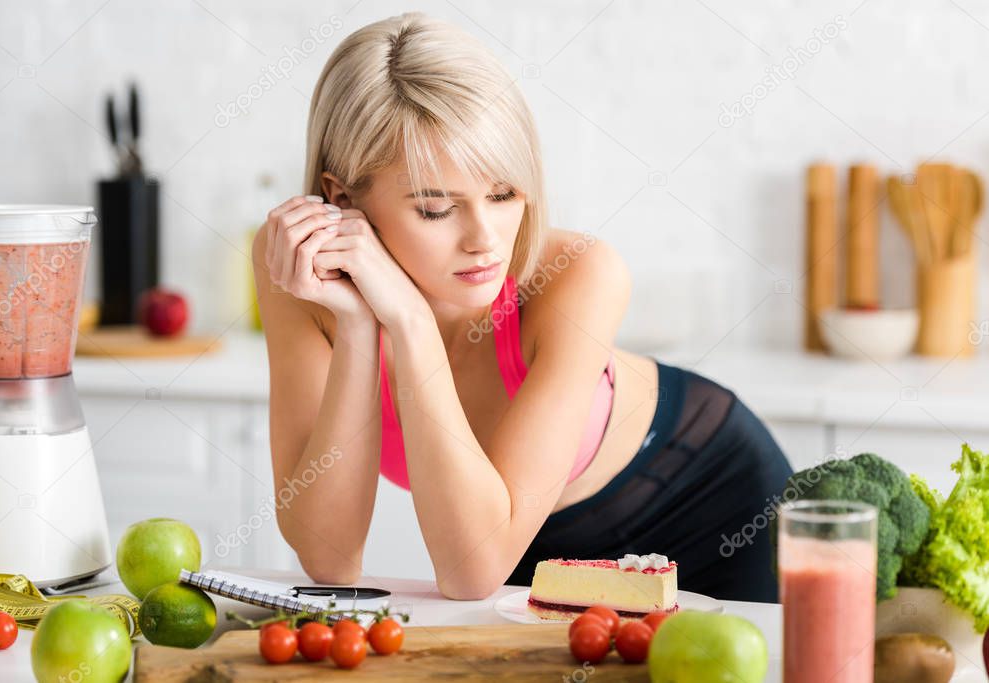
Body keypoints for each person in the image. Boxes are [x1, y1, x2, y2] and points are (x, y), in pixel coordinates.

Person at [253, 11, 793, 603]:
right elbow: (329, 560)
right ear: (341, 198)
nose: (484, 238)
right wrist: (360, 321)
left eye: (503, 193)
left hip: (706, 496)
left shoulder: (581, 272)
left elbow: (472, 572)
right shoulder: (299, 269)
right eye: (436, 209)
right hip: (524, 544)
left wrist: (407, 319)